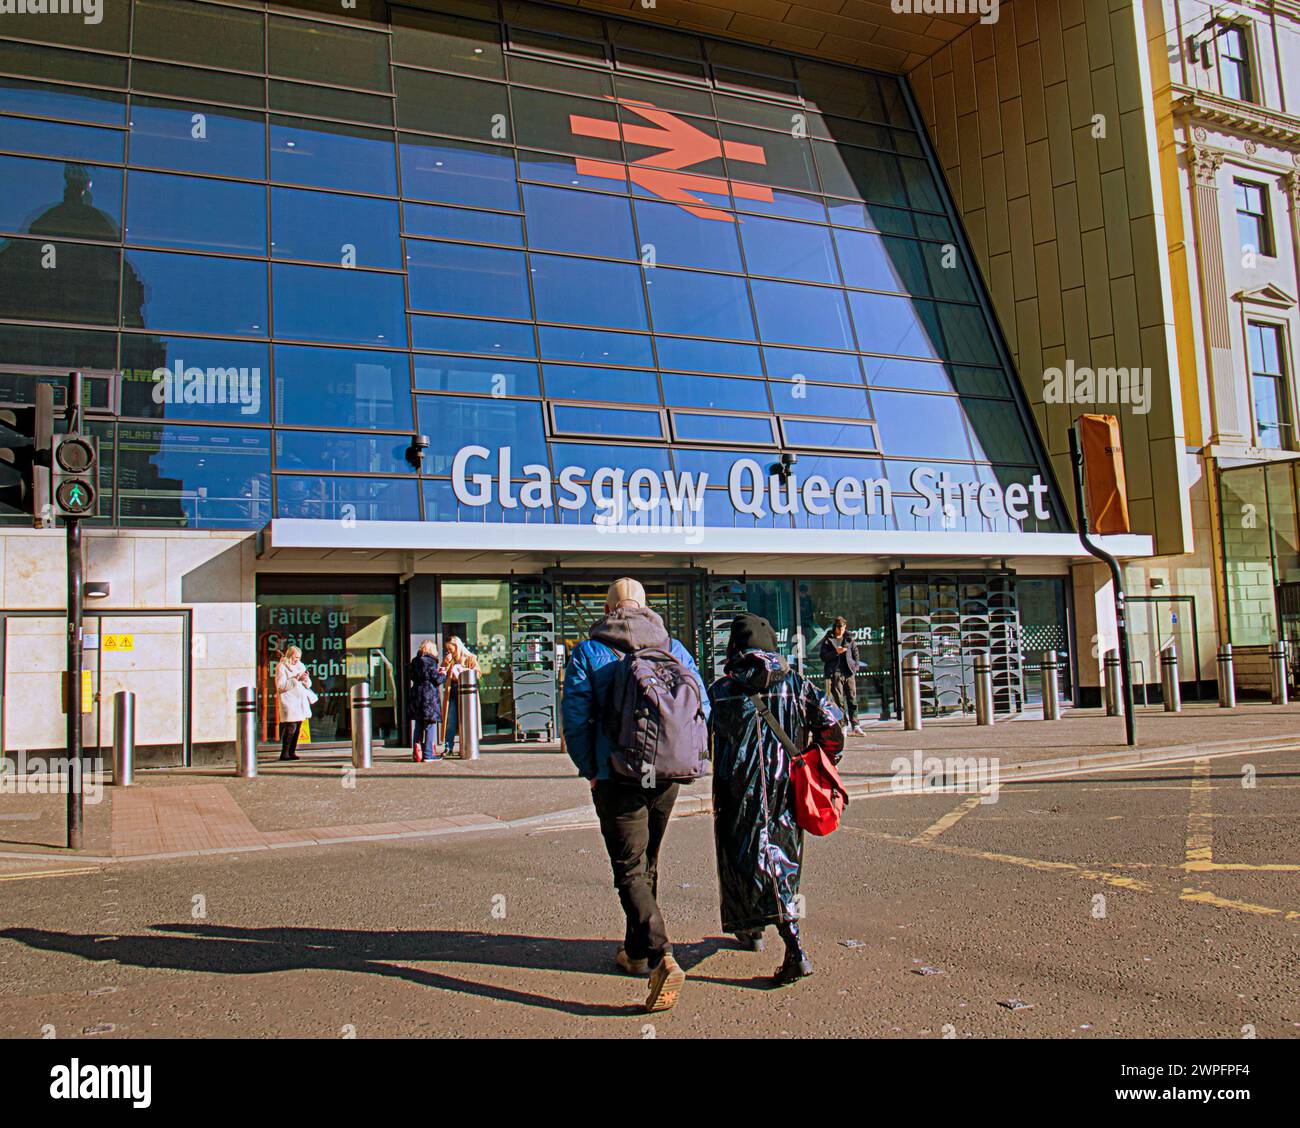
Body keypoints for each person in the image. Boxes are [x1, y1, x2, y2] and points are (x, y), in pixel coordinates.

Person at [561, 577, 708, 1013]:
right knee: (648, 863)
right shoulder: (674, 648)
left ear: (608, 609)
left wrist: (589, 769)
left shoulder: (590, 651)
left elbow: (574, 716)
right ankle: (636, 952)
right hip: (663, 773)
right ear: (647, 607)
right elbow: (702, 706)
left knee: (629, 867)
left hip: (616, 773)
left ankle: (661, 955)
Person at [709, 613, 844, 986]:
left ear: (735, 647)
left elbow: (697, 736)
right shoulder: (797, 686)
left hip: (737, 793)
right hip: (787, 790)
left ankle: (790, 944)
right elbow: (833, 724)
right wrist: (823, 757)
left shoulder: (720, 691)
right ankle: (757, 931)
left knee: (742, 862)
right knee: (782, 862)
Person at [819, 616, 868, 736]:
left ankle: (856, 725)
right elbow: (823, 656)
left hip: (848, 672)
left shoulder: (849, 639)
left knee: (852, 699)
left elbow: (856, 653)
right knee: (838, 700)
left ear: (845, 627)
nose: (840, 630)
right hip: (835, 673)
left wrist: (855, 668)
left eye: (842, 627)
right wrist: (836, 652)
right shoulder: (828, 639)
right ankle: (843, 725)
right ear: (835, 627)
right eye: (838, 627)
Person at [439, 636, 481, 758]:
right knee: (450, 721)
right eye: (447, 650)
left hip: (467, 692)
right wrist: (445, 663)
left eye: (450, 649)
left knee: (467, 720)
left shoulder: (470, 658)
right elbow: (441, 672)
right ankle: (448, 747)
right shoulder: (449, 660)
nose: (449, 652)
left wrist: (465, 670)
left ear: (457, 647)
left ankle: (467, 746)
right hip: (453, 691)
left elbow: (478, 673)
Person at [274, 646, 315, 762]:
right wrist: (296, 678)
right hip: (289, 701)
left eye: (299, 657)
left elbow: (309, 684)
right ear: (290, 655)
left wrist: (306, 679)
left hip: (300, 700)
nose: (297, 659)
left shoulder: (300, 666)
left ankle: (292, 752)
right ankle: (285, 753)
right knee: (291, 727)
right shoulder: (281, 667)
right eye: (295, 657)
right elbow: (280, 686)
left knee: (298, 727)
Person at [408, 640, 446, 763]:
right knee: (430, 725)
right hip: (428, 695)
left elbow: (412, 676)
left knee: (418, 726)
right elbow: (436, 679)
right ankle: (428, 754)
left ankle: (417, 753)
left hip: (417, 694)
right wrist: (443, 674)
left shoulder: (415, 661)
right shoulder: (431, 661)